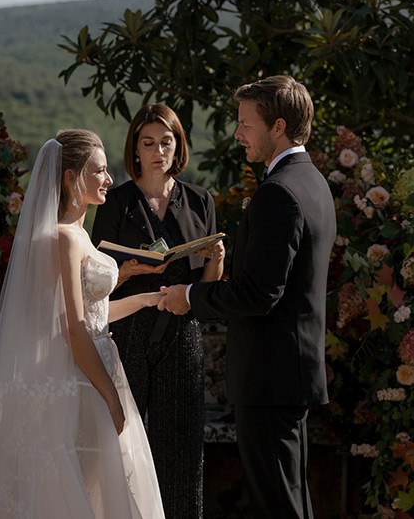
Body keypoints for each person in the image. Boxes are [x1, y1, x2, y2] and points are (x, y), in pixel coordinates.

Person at [0, 129, 166, 519]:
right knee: (81, 491)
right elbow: (74, 330)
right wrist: (111, 399)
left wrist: (150, 299)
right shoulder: (65, 239)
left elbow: (95, 315)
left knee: (93, 489)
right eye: (99, 171)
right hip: (81, 379)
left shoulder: (77, 234)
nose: (109, 179)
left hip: (95, 367)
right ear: (71, 177)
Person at [158, 76, 335, 519]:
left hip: (271, 375)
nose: (237, 134)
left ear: (278, 126)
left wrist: (191, 295)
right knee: (289, 501)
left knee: (278, 505)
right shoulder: (312, 182)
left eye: (246, 124)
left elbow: (260, 294)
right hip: (287, 374)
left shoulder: (279, 193)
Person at [91, 104, 225, 519]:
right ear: (134, 148)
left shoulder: (201, 201)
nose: (157, 151)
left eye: (166, 142)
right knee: (120, 448)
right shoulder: (115, 203)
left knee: (182, 453)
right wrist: (129, 269)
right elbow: (94, 282)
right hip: (127, 333)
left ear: (178, 146)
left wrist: (217, 256)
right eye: (148, 143)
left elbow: (209, 288)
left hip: (182, 337)